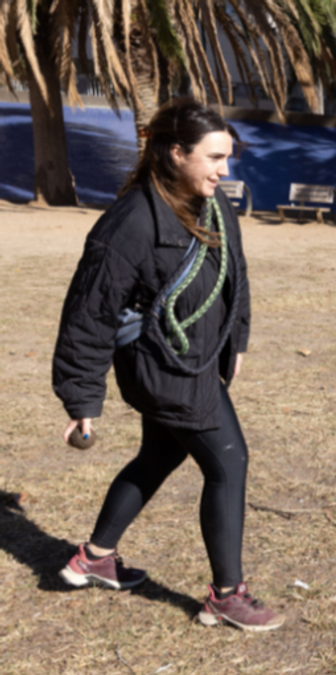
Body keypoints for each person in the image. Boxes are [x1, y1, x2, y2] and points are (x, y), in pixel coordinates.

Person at [51, 98, 283, 632]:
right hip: (164, 368)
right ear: (176, 153)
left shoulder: (215, 204)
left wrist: (237, 340)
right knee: (230, 463)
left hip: (198, 357)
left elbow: (234, 272)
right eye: (214, 157)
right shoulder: (130, 222)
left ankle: (94, 558)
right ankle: (227, 595)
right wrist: (83, 398)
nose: (224, 170)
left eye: (227, 158)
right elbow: (89, 313)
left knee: (159, 455)